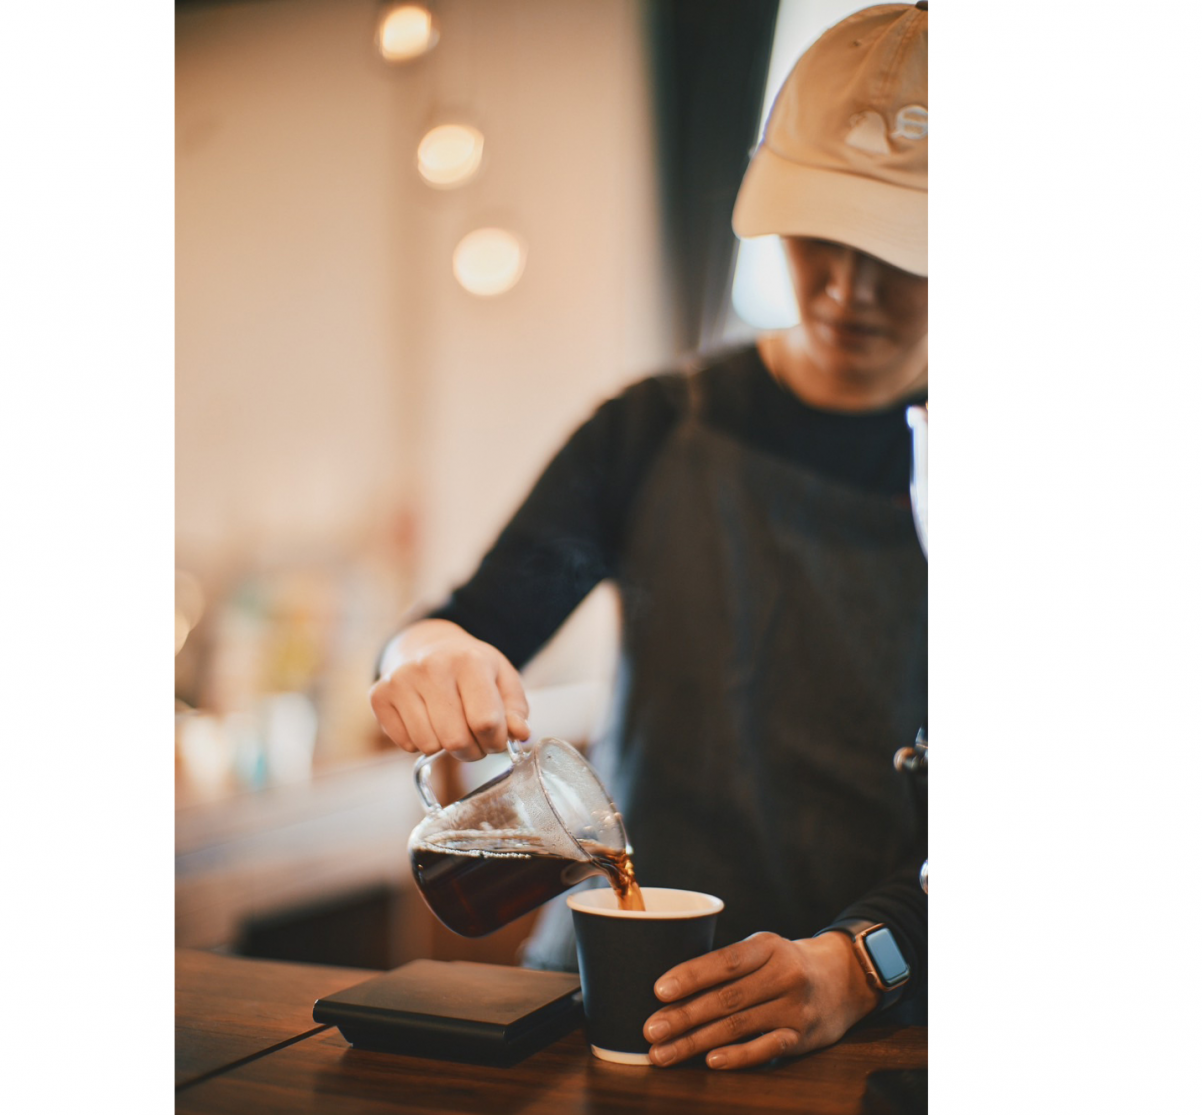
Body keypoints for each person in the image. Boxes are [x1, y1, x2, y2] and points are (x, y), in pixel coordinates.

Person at [370, 3, 928, 1071]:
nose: (848, 288)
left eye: (896, 249)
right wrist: (426, 657)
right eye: (821, 237)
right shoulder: (652, 429)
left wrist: (864, 963)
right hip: (598, 996)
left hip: (859, 1030)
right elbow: (458, 626)